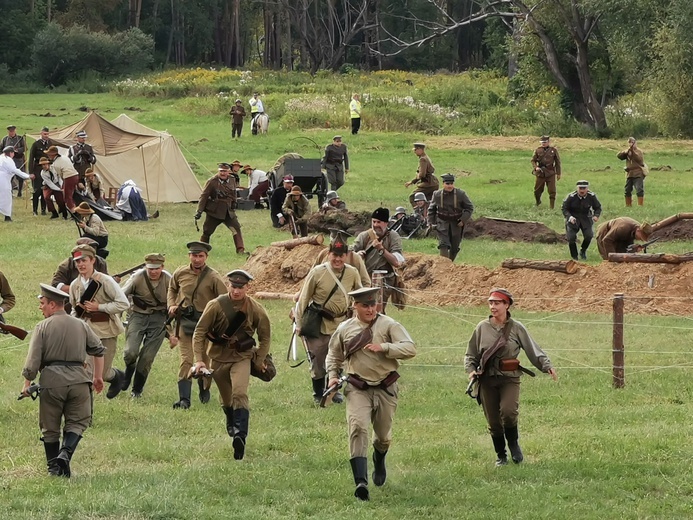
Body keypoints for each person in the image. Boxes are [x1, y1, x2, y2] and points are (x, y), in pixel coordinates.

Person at [326, 286, 416, 501]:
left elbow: (410, 348)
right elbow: (333, 355)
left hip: (386, 386)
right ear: (355, 306)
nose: (370, 309)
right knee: (357, 428)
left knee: (383, 436)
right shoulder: (345, 329)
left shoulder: (389, 324)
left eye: (373, 304)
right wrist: (332, 376)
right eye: (365, 305)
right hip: (358, 387)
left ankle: (379, 458)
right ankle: (361, 483)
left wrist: (384, 347)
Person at [465, 288, 558, 467]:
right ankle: (501, 456)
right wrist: (471, 370)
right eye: (491, 302)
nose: (493, 306)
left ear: (507, 305)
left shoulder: (516, 328)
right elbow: (471, 354)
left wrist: (546, 366)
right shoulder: (482, 327)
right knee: (493, 420)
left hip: (509, 378)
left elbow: (533, 349)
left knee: (508, 412)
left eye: (497, 303)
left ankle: (514, 445)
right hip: (487, 380)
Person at [21, 283, 105, 477]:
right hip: (80, 382)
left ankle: (53, 468)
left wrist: (27, 385)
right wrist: (97, 377)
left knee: (50, 427)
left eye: (42, 303)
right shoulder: (81, 325)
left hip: (52, 382)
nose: (40, 307)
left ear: (52, 304)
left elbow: (33, 359)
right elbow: (99, 350)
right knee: (77, 423)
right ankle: (65, 454)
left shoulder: (42, 326)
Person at [192, 269, 271, 460]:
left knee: (239, 393)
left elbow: (265, 336)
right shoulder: (215, 305)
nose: (236, 291)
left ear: (247, 287)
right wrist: (199, 359)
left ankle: (240, 436)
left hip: (241, 357)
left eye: (241, 287)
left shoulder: (255, 308)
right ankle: (230, 419)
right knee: (227, 399)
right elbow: (199, 332)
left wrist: (259, 360)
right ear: (228, 285)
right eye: (233, 286)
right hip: (218, 358)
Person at [296, 232, 363, 404]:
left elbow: (360, 296)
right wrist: (298, 322)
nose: (338, 259)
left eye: (341, 256)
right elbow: (303, 298)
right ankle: (318, 393)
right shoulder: (318, 272)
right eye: (335, 255)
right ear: (329, 254)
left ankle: (333, 390)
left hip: (342, 323)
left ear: (346, 256)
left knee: (338, 359)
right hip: (318, 322)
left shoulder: (352, 273)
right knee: (318, 360)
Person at [167, 241, 227, 409]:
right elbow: (171, 289)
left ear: (206, 257)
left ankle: (204, 387)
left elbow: (224, 300)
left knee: (205, 361)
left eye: (201, 256)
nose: (197, 259)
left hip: (206, 325)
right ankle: (184, 399)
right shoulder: (180, 272)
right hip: (185, 322)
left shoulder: (214, 277)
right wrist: (171, 305)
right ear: (189, 256)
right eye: (194, 255)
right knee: (186, 360)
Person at [68, 244, 129, 400]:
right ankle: (85, 412)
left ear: (92, 260)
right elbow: (75, 309)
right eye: (77, 261)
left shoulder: (105, 281)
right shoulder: (75, 285)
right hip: (86, 331)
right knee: (86, 373)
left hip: (106, 331)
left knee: (102, 373)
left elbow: (123, 304)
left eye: (84, 260)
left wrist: (99, 307)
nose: (80, 264)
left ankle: (116, 376)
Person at [120, 253, 171, 398]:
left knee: (147, 357)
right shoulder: (137, 277)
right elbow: (122, 295)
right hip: (138, 314)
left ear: (162, 267)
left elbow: (176, 300)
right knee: (130, 352)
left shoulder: (169, 280)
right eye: (150, 268)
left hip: (159, 318)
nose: (153, 272)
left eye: (156, 268)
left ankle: (137, 389)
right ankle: (128, 372)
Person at [353, 207, 405, 312]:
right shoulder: (364, 236)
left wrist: (381, 249)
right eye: (374, 222)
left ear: (386, 223)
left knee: (377, 308)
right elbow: (350, 252)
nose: (376, 225)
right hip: (367, 279)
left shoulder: (393, 237)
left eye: (379, 222)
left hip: (386, 280)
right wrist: (357, 255)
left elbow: (396, 262)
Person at [195, 163, 246, 255]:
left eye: (225, 171)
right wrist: (199, 211)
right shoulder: (212, 181)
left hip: (228, 211)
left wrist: (234, 203)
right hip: (215, 211)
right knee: (207, 232)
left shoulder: (232, 179)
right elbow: (204, 196)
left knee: (236, 229)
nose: (223, 173)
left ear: (228, 171)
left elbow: (234, 192)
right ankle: (201, 251)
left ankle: (240, 250)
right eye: (221, 171)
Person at [427, 173, 474, 261]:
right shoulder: (437, 194)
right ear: (443, 184)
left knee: (455, 247)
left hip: (456, 224)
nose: (450, 186)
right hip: (442, 222)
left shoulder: (461, 194)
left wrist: (463, 220)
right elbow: (431, 209)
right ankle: (443, 264)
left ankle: (450, 264)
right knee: (443, 244)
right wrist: (430, 223)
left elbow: (469, 208)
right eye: (447, 184)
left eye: (451, 184)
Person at [561, 180, 602, 260]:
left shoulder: (591, 196)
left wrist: (596, 215)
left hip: (585, 218)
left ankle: (583, 251)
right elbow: (564, 208)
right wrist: (569, 217)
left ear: (587, 189)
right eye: (580, 188)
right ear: (577, 188)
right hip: (573, 218)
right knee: (571, 238)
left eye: (584, 188)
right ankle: (574, 256)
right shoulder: (571, 197)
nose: (582, 190)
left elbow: (598, 207)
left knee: (589, 235)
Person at [45, 145, 80, 212]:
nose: (48, 156)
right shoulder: (65, 157)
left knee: (67, 197)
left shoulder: (56, 164)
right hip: (76, 175)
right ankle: (76, 209)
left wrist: (63, 185)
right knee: (73, 195)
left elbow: (61, 176)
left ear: (52, 155)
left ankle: (75, 213)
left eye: (49, 154)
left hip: (68, 177)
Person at [0, 146, 30, 221]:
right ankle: (7, 216)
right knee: (7, 197)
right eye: (13, 153)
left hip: (4, 179)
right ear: (10, 153)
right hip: (3, 180)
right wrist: (27, 176)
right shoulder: (8, 159)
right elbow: (14, 170)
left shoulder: (1, 157)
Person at [531, 135, 561, 209]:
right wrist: (536, 167)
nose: (543, 144)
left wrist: (558, 173)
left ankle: (552, 207)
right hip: (540, 173)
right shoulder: (538, 150)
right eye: (542, 142)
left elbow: (557, 162)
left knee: (552, 191)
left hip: (550, 172)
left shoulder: (553, 150)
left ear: (548, 142)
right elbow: (533, 160)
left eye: (545, 142)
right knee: (537, 190)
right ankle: (538, 202)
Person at [28, 126, 52, 216]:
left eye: (47, 134)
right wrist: (31, 172)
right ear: (41, 134)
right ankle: (34, 210)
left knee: (44, 190)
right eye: (44, 134)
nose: (46, 136)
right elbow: (31, 158)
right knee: (37, 191)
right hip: (37, 170)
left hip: (47, 170)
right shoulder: (36, 144)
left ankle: (43, 210)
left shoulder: (50, 143)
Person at [405, 143, 438, 207]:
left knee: (412, 197)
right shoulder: (426, 157)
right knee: (428, 201)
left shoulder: (422, 159)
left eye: (416, 150)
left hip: (428, 183)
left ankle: (418, 213)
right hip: (433, 183)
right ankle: (429, 214)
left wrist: (415, 178)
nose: (414, 152)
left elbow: (422, 175)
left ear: (420, 150)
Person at [617, 137, 646, 206]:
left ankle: (640, 205)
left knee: (639, 189)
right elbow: (619, 156)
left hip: (638, 173)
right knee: (627, 190)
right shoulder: (628, 151)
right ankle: (628, 205)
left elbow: (639, 160)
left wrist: (633, 152)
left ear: (635, 143)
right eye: (629, 142)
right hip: (629, 173)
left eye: (632, 142)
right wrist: (625, 152)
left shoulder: (639, 151)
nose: (631, 144)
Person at [2, 124, 27, 197]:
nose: (12, 132)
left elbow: (25, 148)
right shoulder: (5, 139)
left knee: (20, 176)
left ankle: (19, 192)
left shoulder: (20, 138)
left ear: (15, 131)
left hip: (18, 159)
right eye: (10, 131)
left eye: (13, 131)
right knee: (9, 176)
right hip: (8, 160)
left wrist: (17, 150)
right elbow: (1, 148)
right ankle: (10, 191)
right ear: (8, 131)